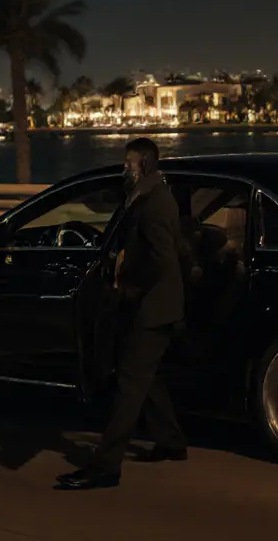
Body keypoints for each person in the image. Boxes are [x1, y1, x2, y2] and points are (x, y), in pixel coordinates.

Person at [56, 137, 188, 490]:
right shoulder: (146, 195)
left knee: (130, 384)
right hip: (155, 305)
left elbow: (163, 260)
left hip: (153, 308)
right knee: (148, 376)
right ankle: (171, 441)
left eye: (128, 163)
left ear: (144, 163)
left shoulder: (155, 203)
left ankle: (105, 465)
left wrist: (128, 288)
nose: (124, 169)